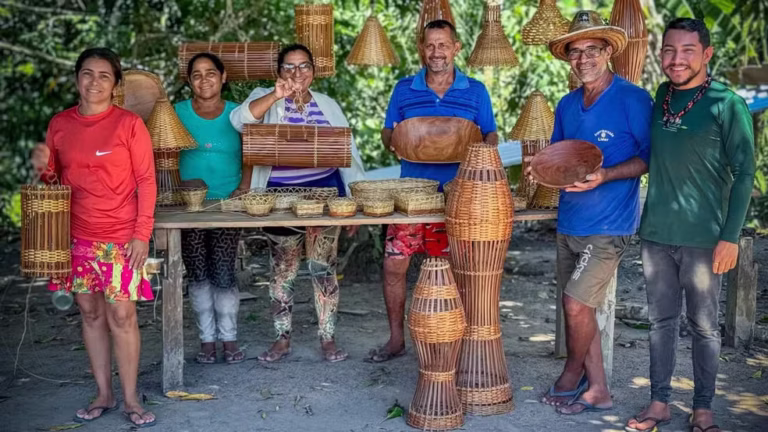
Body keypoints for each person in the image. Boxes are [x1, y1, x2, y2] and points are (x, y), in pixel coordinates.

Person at [625, 18, 755, 432]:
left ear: (707, 54)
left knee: (703, 326)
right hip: (657, 236)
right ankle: (659, 403)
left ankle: (703, 410)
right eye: (668, 50)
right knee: (661, 322)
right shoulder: (662, 95)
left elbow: (745, 173)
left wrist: (730, 237)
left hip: (704, 239)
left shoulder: (726, 103)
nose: (676, 59)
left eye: (687, 51)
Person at [32, 48, 157, 428]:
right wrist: (42, 168)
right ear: (77, 79)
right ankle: (104, 392)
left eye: (104, 75)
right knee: (90, 313)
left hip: (121, 237)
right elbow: (52, 182)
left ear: (116, 85)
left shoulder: (129, 124)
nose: (95, 82)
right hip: (77, 237)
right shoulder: (60, 125)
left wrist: (141, 234)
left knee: (122, 314)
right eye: (87, 74)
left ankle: (132, 399)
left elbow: (146, 181)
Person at [534, 11, 652, 415]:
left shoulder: (633, 98)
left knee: (574, 305)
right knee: (577, 306)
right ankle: (597, 388)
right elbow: (559, 160)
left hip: (609, 225)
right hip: (570, 221)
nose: (583, 59)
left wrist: (605, 175)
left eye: (591, 50)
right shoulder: (567, 105)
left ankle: (574, 375)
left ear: (607, 52)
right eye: (575, 52)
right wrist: (540, 168)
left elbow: (648, 158)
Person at [368, 19, 498, 363]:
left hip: (458, 197)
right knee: (394, 266)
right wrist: (393, 142)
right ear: (421, 48)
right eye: (430, 45)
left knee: (453, 270)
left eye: (443, 45)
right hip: (411, 196)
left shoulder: (476, 90)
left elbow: (490, 135)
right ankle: (396, 340)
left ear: (456, 48)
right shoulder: (404, 89)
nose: (436, 52)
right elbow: (387, 131)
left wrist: (485, 154)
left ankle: (452, 338)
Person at [230, 44, 366, 363]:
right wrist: (276, 95)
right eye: (289, 67)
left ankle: (328, 339)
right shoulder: (266, 97)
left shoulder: (328, 105)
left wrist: (353, 207)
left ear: (314, 73)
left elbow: (350, 155)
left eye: (304, 66)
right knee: (283, 271)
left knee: (323, 269)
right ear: (279, 72)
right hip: (280, 198)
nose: (297, 73)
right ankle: (282, 339)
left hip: (325, 197)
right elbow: (239, 121)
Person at [176, 53, 244, 365]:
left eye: (211, 73)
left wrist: (242, 191)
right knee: (198, 273)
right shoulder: (175, 114)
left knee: (224, 271)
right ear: (188, 81)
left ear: (223, 76)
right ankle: (207, 340)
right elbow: (159, 156)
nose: (204, 80)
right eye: (197, 75)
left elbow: (254, 154)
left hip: (228, 205)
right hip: (187, 208)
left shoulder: (237, 115)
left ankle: (228, 339)